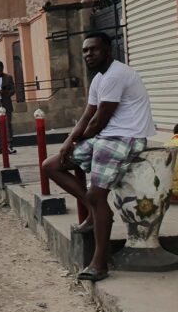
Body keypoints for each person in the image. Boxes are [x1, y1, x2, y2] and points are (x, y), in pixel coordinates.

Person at [42, 32, 155, 282]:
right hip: (108, 137)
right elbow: (87, 115)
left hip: (127, 137)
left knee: (97, 193)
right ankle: (97, 212)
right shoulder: (99, 79)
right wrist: (68, 143)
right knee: (51, 165)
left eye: (93, 50)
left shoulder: (116, 74)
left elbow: (99, 119)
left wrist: (78, 141)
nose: (88, 55)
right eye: (84, 51)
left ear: (107, 50)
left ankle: (99, 262)